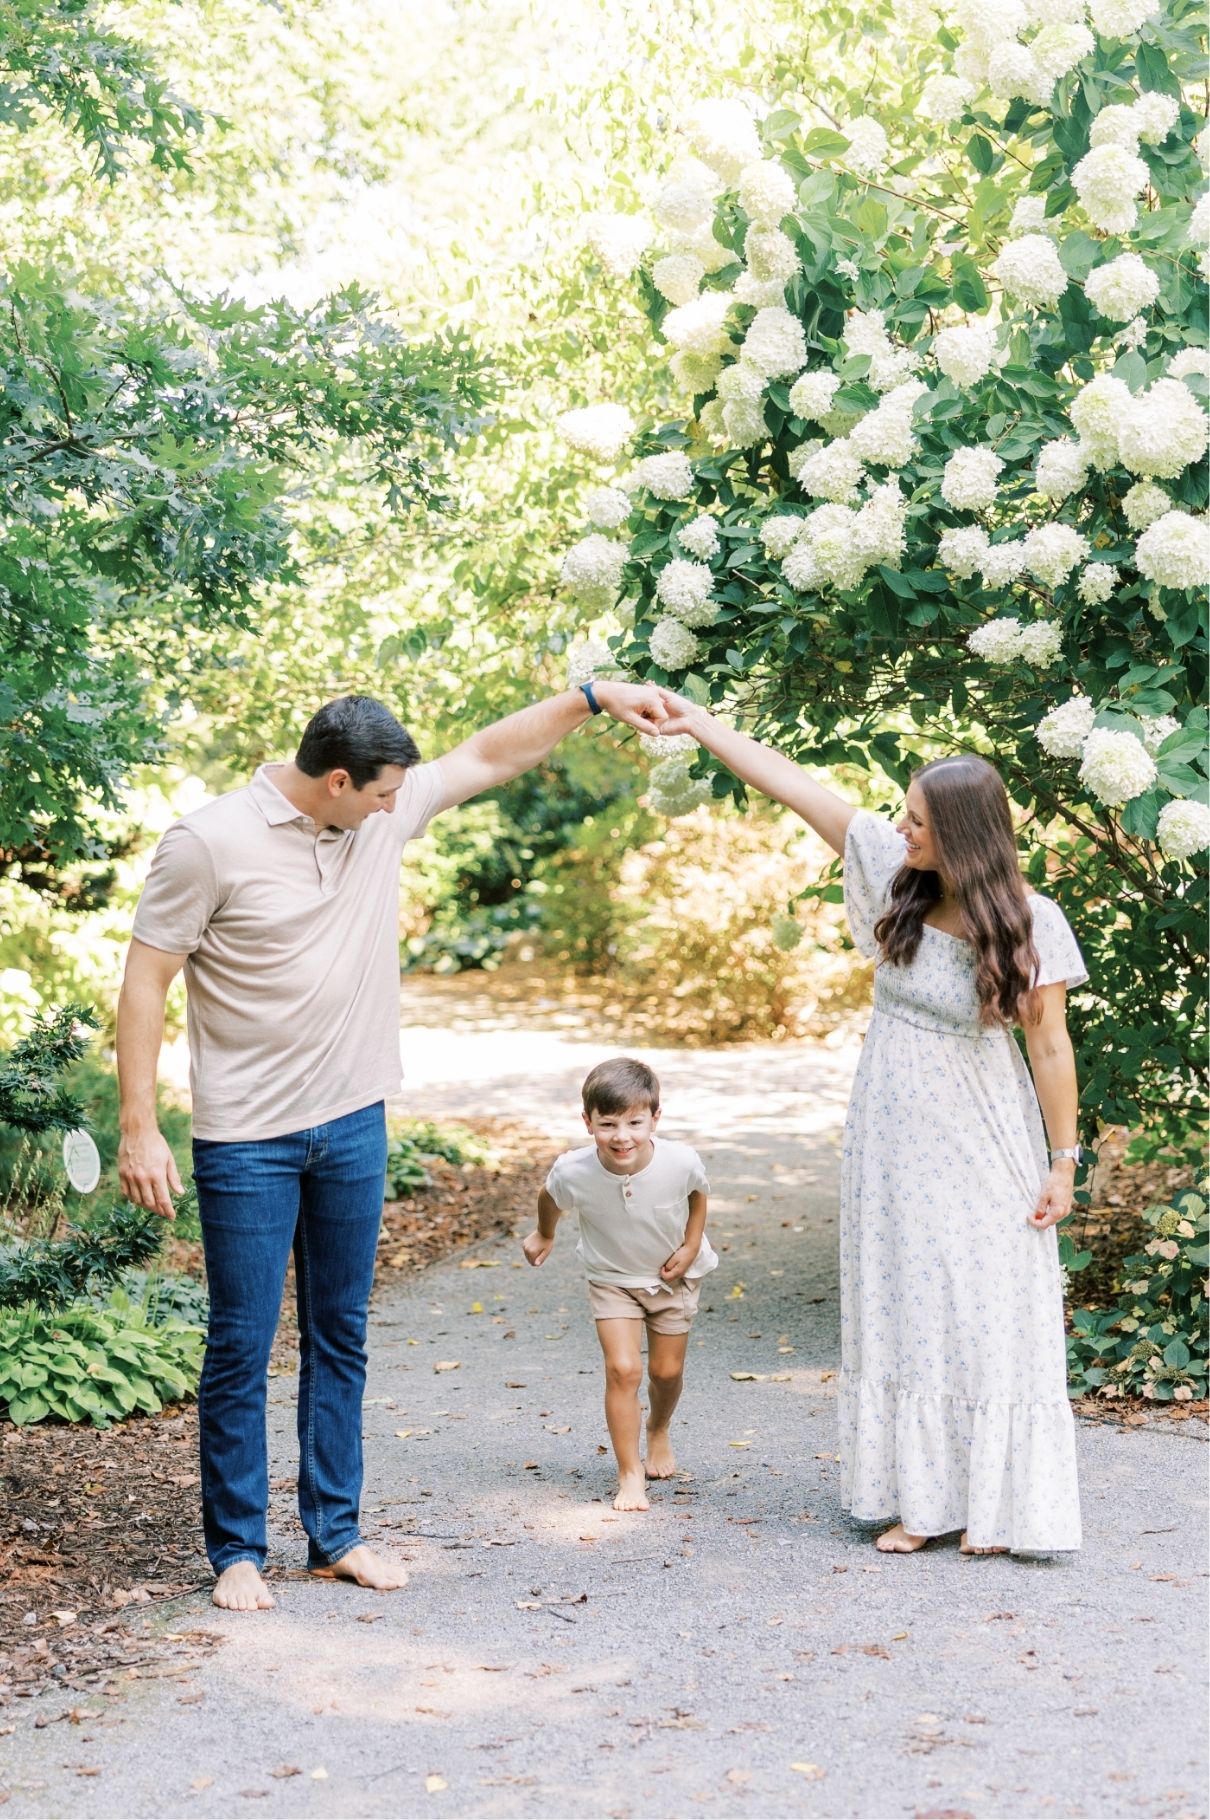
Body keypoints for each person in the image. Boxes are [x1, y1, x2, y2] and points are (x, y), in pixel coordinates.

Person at [117, 681, 666, 1611]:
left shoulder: (378, 814)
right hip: (246, 1136)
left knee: (341, 1335)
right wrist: (139, 1125)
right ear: (337, 781)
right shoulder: (207, 843)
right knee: (241, 1344)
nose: (395, 809)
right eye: (381, 794)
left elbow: (489, 754)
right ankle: (238, 1550)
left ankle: (334, 1536)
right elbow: (146, 978)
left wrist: (591, 697)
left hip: (353, 1123)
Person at [654, 692, 1085, 1557]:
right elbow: (792, 785)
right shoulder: (897, 875)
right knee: (906, 1301)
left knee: (986, 1303)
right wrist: (701, 724)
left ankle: (995, 1506)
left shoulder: (1030, 921)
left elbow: (1049, 1048)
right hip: (891, 1139)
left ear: (962, 834)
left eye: (918, 819)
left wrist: (1064, 1162)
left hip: (983, 1137)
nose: (902, 827)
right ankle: (922, 1500)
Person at [522, 1057, 716, 1511]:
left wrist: (691, 1246)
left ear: (655, 1119)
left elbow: (698, 1195)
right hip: (612, 1279)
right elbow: (549, 1197)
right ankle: (630, 1474)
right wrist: (544, 1233)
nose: (621, 1136)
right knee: (623, 1369)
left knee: (665, 1372)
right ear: (587, 1122)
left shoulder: (680, 1161)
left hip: (673, 1277)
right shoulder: (573, 1170)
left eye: (634, 1123)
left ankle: (658, 1428)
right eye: (607, 1124)